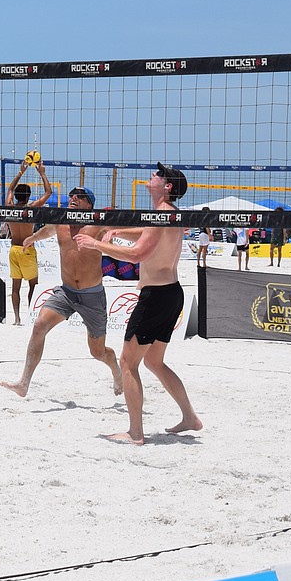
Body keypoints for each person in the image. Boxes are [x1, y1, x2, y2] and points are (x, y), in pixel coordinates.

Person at [76, 163, 201, 446]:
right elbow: (146, 233)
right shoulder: (168, 213)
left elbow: (136, 255)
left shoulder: (162, 214)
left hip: (156, 297)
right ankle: (190, 417)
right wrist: (115, 230)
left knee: (127, 363)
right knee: (154, 362)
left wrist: (96, 245)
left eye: (158, 175)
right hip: (171, 293)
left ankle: (135, 432)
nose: (152, 175)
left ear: (167, 186)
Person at [0, 186, 122, 398]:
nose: (73, 198)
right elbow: (47, 230)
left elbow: (123, 240)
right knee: (39, 325)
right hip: (66, 293)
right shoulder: (61, 221)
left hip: (92, 295)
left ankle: (115, 370)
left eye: (80, 196)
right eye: (72, 194)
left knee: (98, 352)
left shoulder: (97, 225)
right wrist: (32, 238)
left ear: (89, 204)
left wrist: (107, 242)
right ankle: (24, 383)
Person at [5, 156, 53, 325]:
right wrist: (42, 173)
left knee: (15, 287)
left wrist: (21, 172)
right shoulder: (30, 209)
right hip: (27, 249)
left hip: (13, 249)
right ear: (28, 197)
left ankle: (17, 318)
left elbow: (10, 189)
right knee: (33, 285)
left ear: (16, 196)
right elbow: (48, 193)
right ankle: (30, 316)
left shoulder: (10, 207)